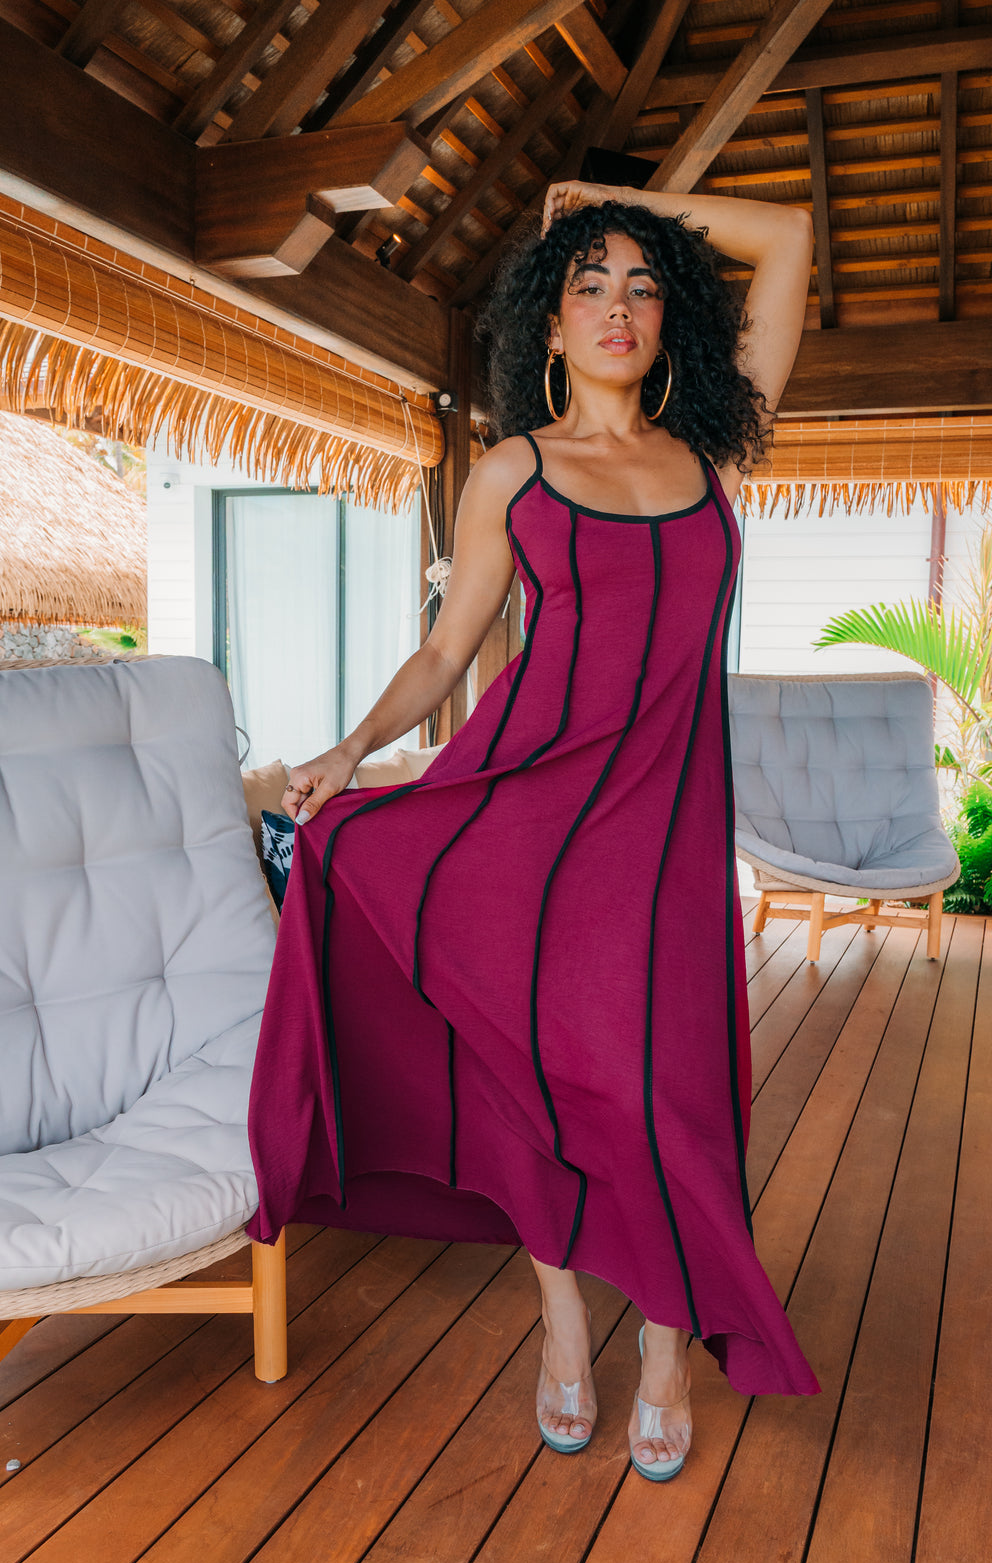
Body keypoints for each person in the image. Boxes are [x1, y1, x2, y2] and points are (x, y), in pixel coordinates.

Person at [245, 180, 820, 1484]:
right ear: (550, 329)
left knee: (670, 1100)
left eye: (643, 287)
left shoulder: (715, 457)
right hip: (533, 827)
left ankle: (665, 1350)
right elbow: (448, 652)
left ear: (670, 324)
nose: (618, 308)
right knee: (538, 1083)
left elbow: (786, 238)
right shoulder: (515, 471)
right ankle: (563, 1321)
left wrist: (616, 204)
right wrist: (348, 751)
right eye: (589, 286)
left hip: (667, 848)